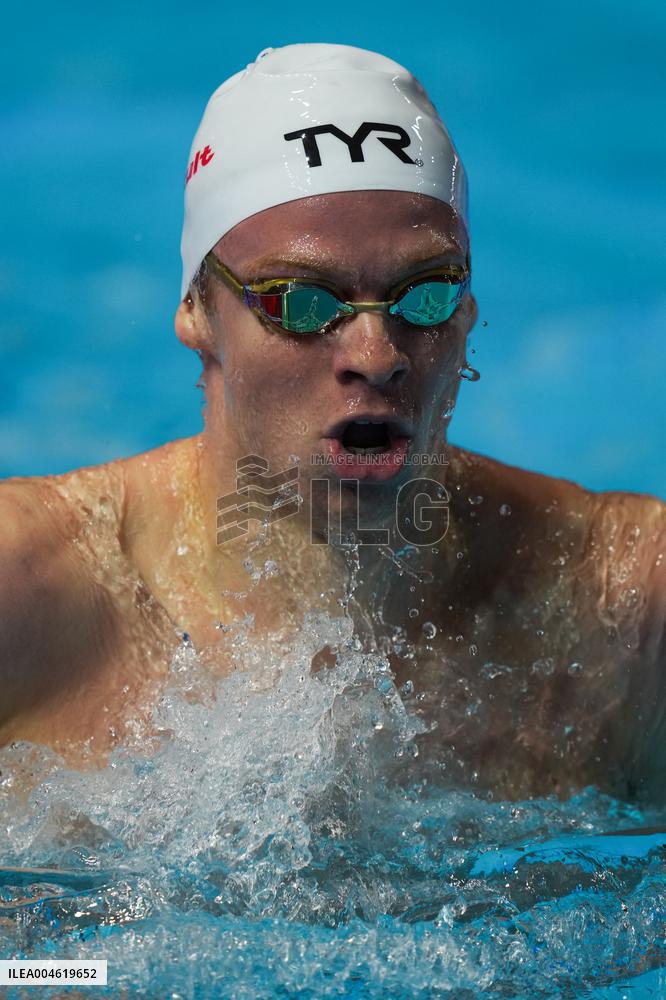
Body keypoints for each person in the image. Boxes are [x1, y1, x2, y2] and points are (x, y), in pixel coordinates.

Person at [0, 44, 663, 801]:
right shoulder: (29, 590)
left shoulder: (625, 609)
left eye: (426, 294)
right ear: (197, 313)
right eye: (301, 302)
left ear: (468, 311)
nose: (377, 356)